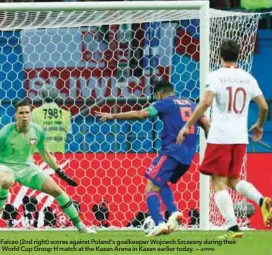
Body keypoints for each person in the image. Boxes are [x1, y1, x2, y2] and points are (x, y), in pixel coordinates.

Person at [177, 39, 271, 239]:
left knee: (217, 181)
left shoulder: (216, 76)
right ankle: (262, 201)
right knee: (232, 179)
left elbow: (206, 102)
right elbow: (264, 107)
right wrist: (260, 125)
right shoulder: (248, 78)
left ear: (219, 55)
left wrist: (188, 125)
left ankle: (232, 227)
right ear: (239, 55)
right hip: (240, 137)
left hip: (220, 137)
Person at [95, 80, 210, 236]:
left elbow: (141, 114)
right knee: (160, 182)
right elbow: (205, 122)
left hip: (171, 151)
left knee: (150, 184)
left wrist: (113, 115)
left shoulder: (165, 103)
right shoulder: (190, 104)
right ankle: (175, 212)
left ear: (159, 94)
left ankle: (160, 222)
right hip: (188, 155)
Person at [0, 100, 95, 233]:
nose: (24, 116)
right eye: (21, 113)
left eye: (27, 112)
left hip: (28, 167)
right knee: (6, 181)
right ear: (15, 115)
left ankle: (81, 226)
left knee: (56, 190)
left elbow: (45, 154)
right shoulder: (5, 132)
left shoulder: (38, 131)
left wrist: (60, 172)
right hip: (5, 165)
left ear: (31, 114)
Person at [32, 85, 71, 153]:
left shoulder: (35, 113)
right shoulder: (66, 114)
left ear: (42, 95)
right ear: (57, 97)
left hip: (39, 154)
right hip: (59, 153)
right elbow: (68, 136)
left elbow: (31, 135)